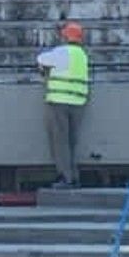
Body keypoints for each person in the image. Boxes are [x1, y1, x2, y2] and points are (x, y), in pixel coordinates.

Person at [38, 20, 91, 188]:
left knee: (60, 142)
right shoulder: (82, 55)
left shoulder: (62, 52)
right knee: (71, 142)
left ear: (65, 37)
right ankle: (73, 176)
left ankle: (65, 177)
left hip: (59, 102)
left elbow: (41, 59)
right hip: (78, 103)